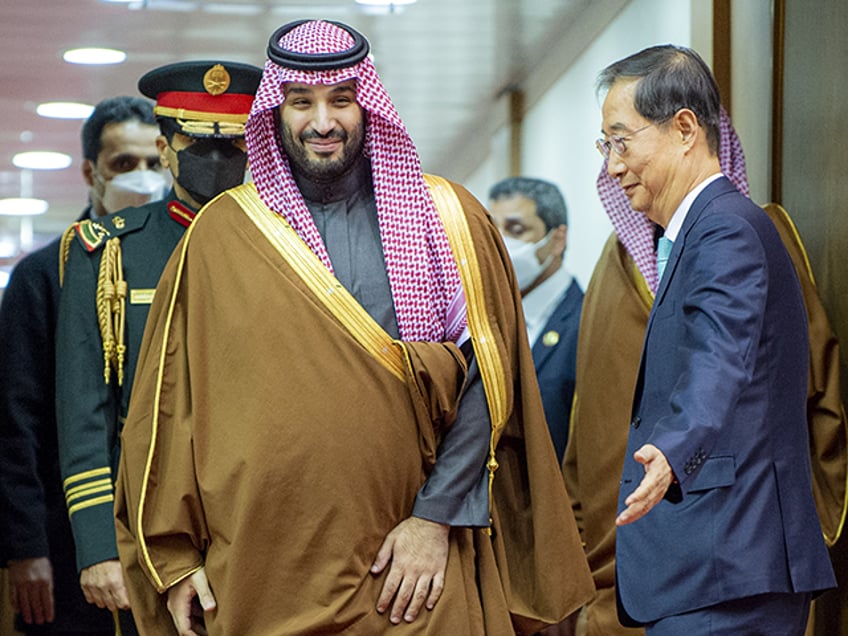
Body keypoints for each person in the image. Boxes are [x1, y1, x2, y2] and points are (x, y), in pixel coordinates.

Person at [114, 19, 594, 635]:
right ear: (275, 112)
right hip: (262, 577)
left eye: (341, 100)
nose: (323, 121)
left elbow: (488, 384)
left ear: (367, 104)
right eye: (301, 102)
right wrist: (176, 561)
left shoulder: (446, 220)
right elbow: (166, 405)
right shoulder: (219, 236)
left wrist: (435, 520)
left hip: (414, 576)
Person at [564, 95, 848, 636]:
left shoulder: (741, 232)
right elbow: (589, 416)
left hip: (728, 560)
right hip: (630, 573)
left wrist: (810, 527)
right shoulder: (610, 266)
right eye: (608, 147)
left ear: (685, 131)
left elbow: (801, 390)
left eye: (624, 143)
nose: (614, 166)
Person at [54, 61, 261, 632]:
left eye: (235, 143)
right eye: (196, 142)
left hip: (256, 522)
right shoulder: (108, 254)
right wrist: (97, 545)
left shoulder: (286, 245)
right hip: (145, 523)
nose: (216, 158)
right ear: (166, 147)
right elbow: (84, 414)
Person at [0, 96, 164, 635]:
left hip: (161, 535)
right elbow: (13, 422)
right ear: (91, 172)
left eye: (152, 162)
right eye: (123, 165)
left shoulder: (184, 258)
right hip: (65, 540)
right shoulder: (45, 276)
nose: (142, 178)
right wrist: (25, 548)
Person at [489, 177, 582, 462]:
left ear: (557, 239)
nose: (502, 244)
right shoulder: (484, 322)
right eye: (493, 231)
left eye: (516, 230)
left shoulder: (586, 322)